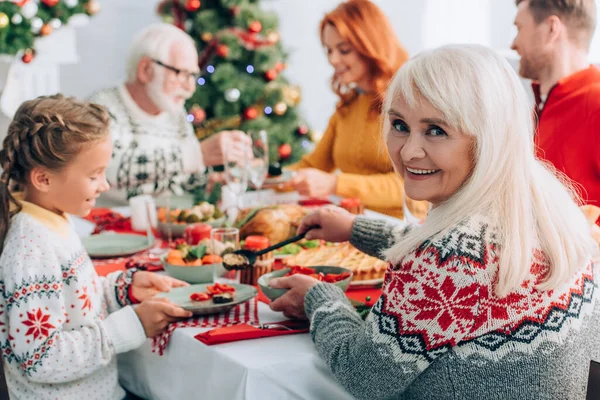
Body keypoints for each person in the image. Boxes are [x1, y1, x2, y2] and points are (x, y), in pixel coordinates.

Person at [270, 45, 600, 399]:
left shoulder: (448, 261)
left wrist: (319, 298)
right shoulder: (549, 206)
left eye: (436, 131)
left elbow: (363, 376)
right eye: (399, 125)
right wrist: (355, 228)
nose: (409, 151)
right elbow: (467, 257)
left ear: (486, 138)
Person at [0, 94, 193, 399]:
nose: (105, 186)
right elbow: (39, 359)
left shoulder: (55, 218)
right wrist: (132, 326)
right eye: (94, 175)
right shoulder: (30, 248)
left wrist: (123, 288)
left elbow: (72, 304)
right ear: (43, 179)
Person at [288, 0, 428, 219]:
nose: (333, 60)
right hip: (355, 226)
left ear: (370, 45)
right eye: (329, 50)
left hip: (404, 231)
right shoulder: (348, 105)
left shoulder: (410, 100)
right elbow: (313, 165)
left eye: (344, 50)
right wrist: (262, 177)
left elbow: (414, 185)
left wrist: (335, 184)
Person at [89, 23, 251, 204]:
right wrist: (197, 154)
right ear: (145, 70)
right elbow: (103, 170)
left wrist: (209, 180)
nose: (190, 88)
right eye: (180, 73)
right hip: (112, 226)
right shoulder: (102, 108)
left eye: (192, 76)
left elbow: (183, 178)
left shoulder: (175, 112)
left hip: (168, 223)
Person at [511, 0, 600, 212]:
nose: (513, 43)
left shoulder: (596, 104)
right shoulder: (535, 110)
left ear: (551, 29)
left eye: (519, 28)